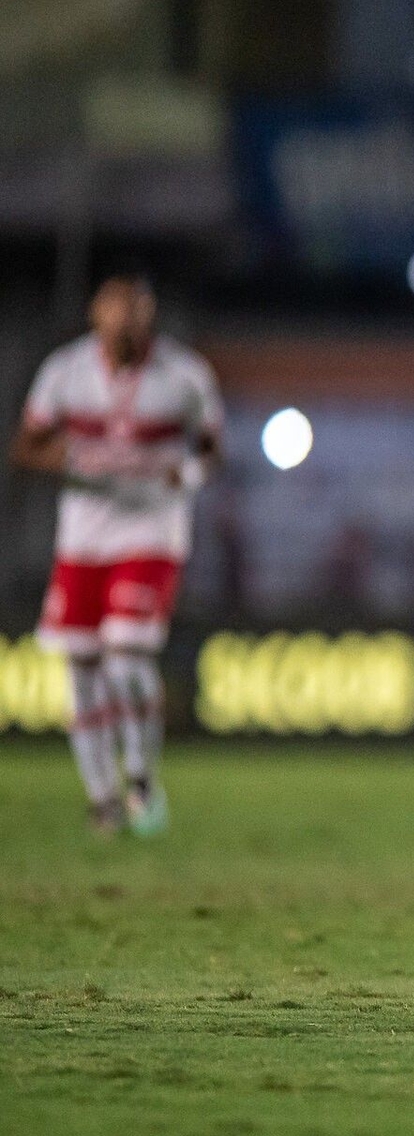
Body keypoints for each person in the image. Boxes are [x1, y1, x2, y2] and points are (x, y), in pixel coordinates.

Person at [11, 274, 223, 836]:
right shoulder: (65, 372)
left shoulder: (184, 375)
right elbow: (26, 445)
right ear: (96, 316)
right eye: (116, 315)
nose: (126, 327)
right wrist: (71, 461)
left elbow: (211, 449)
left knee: (126, 657)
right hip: (83, 536)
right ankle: (102, 797)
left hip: (152, 529)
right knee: (82, 666)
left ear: (149, 319)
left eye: (135, 315)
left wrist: (188, 474)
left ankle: (141, 777)